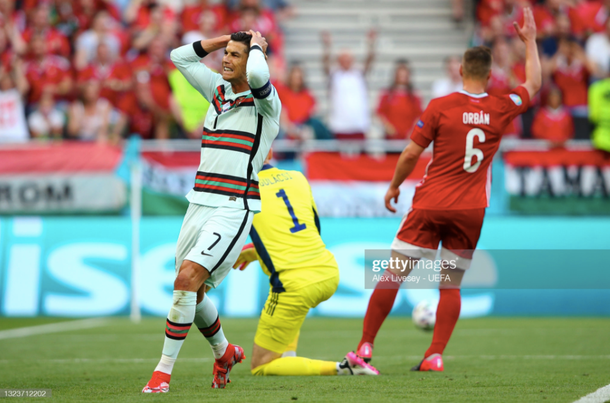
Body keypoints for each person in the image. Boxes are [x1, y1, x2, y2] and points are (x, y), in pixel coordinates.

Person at [353, 8, 541, 371]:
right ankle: (435, 355)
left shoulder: (441, 106)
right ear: (489, 75)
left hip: (431, 203)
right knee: (450, 285)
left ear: (460, 71)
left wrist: (394, 186)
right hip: (471, 210)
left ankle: (365, 347)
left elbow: (411, 152)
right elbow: (533, 85)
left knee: (394, 272)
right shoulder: (502, 106)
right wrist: (530, 41)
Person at [143, 30, 281, 393]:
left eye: (236, 55)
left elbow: (258, 77)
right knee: (194, 290)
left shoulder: (266, 103)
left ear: (252, 60)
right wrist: (225, 39)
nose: (226, 59)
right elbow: (179, 57)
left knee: (185, 280)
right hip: (199, 201)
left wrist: (255, 47)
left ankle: (162, 373)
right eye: (226, 54)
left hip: (234, 205)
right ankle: (224, 353)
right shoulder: (216, 90)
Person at [231, 149, 378, 377]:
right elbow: (312, 230)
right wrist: (256, 251)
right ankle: (289, 359)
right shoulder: (297, 177)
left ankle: (344, 368)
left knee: (261, 366)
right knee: (286, 296)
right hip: (328, 271)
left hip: (294, 286)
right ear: (269, 152)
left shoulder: (240, 189)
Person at [321, 29, 376, 140]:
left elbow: (370, 60)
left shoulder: (359, 73)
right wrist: (327, 46)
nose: (346, 62)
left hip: (359, 124)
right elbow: (325, 63)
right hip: (339, 125)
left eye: (348, 59)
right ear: (338, 60)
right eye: (343, 59)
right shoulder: (334, 74)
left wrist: (371, 44)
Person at [376, 60, 422, 139]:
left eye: (404, 75)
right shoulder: (387, 94)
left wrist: (413, 130)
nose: (402, 78)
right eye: (400, 75)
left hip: (408, 138)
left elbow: (419, 115)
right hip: (390, 138)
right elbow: (380, 112)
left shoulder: (414, 95)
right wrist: (387, 126)